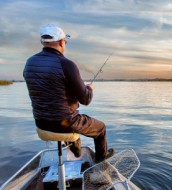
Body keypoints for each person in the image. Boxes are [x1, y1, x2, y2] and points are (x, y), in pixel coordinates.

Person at [23, 24, 114, 163]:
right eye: (65, 41)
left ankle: (76, 149)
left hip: (40, 122)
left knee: (74, 119)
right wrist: (89, 89)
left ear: (43, 42)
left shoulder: (29, 63)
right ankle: (101, 164)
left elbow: (50, 89)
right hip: (64, 123)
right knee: (100, 128)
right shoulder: (66, 64)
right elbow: (86, 99)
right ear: (61, 42)